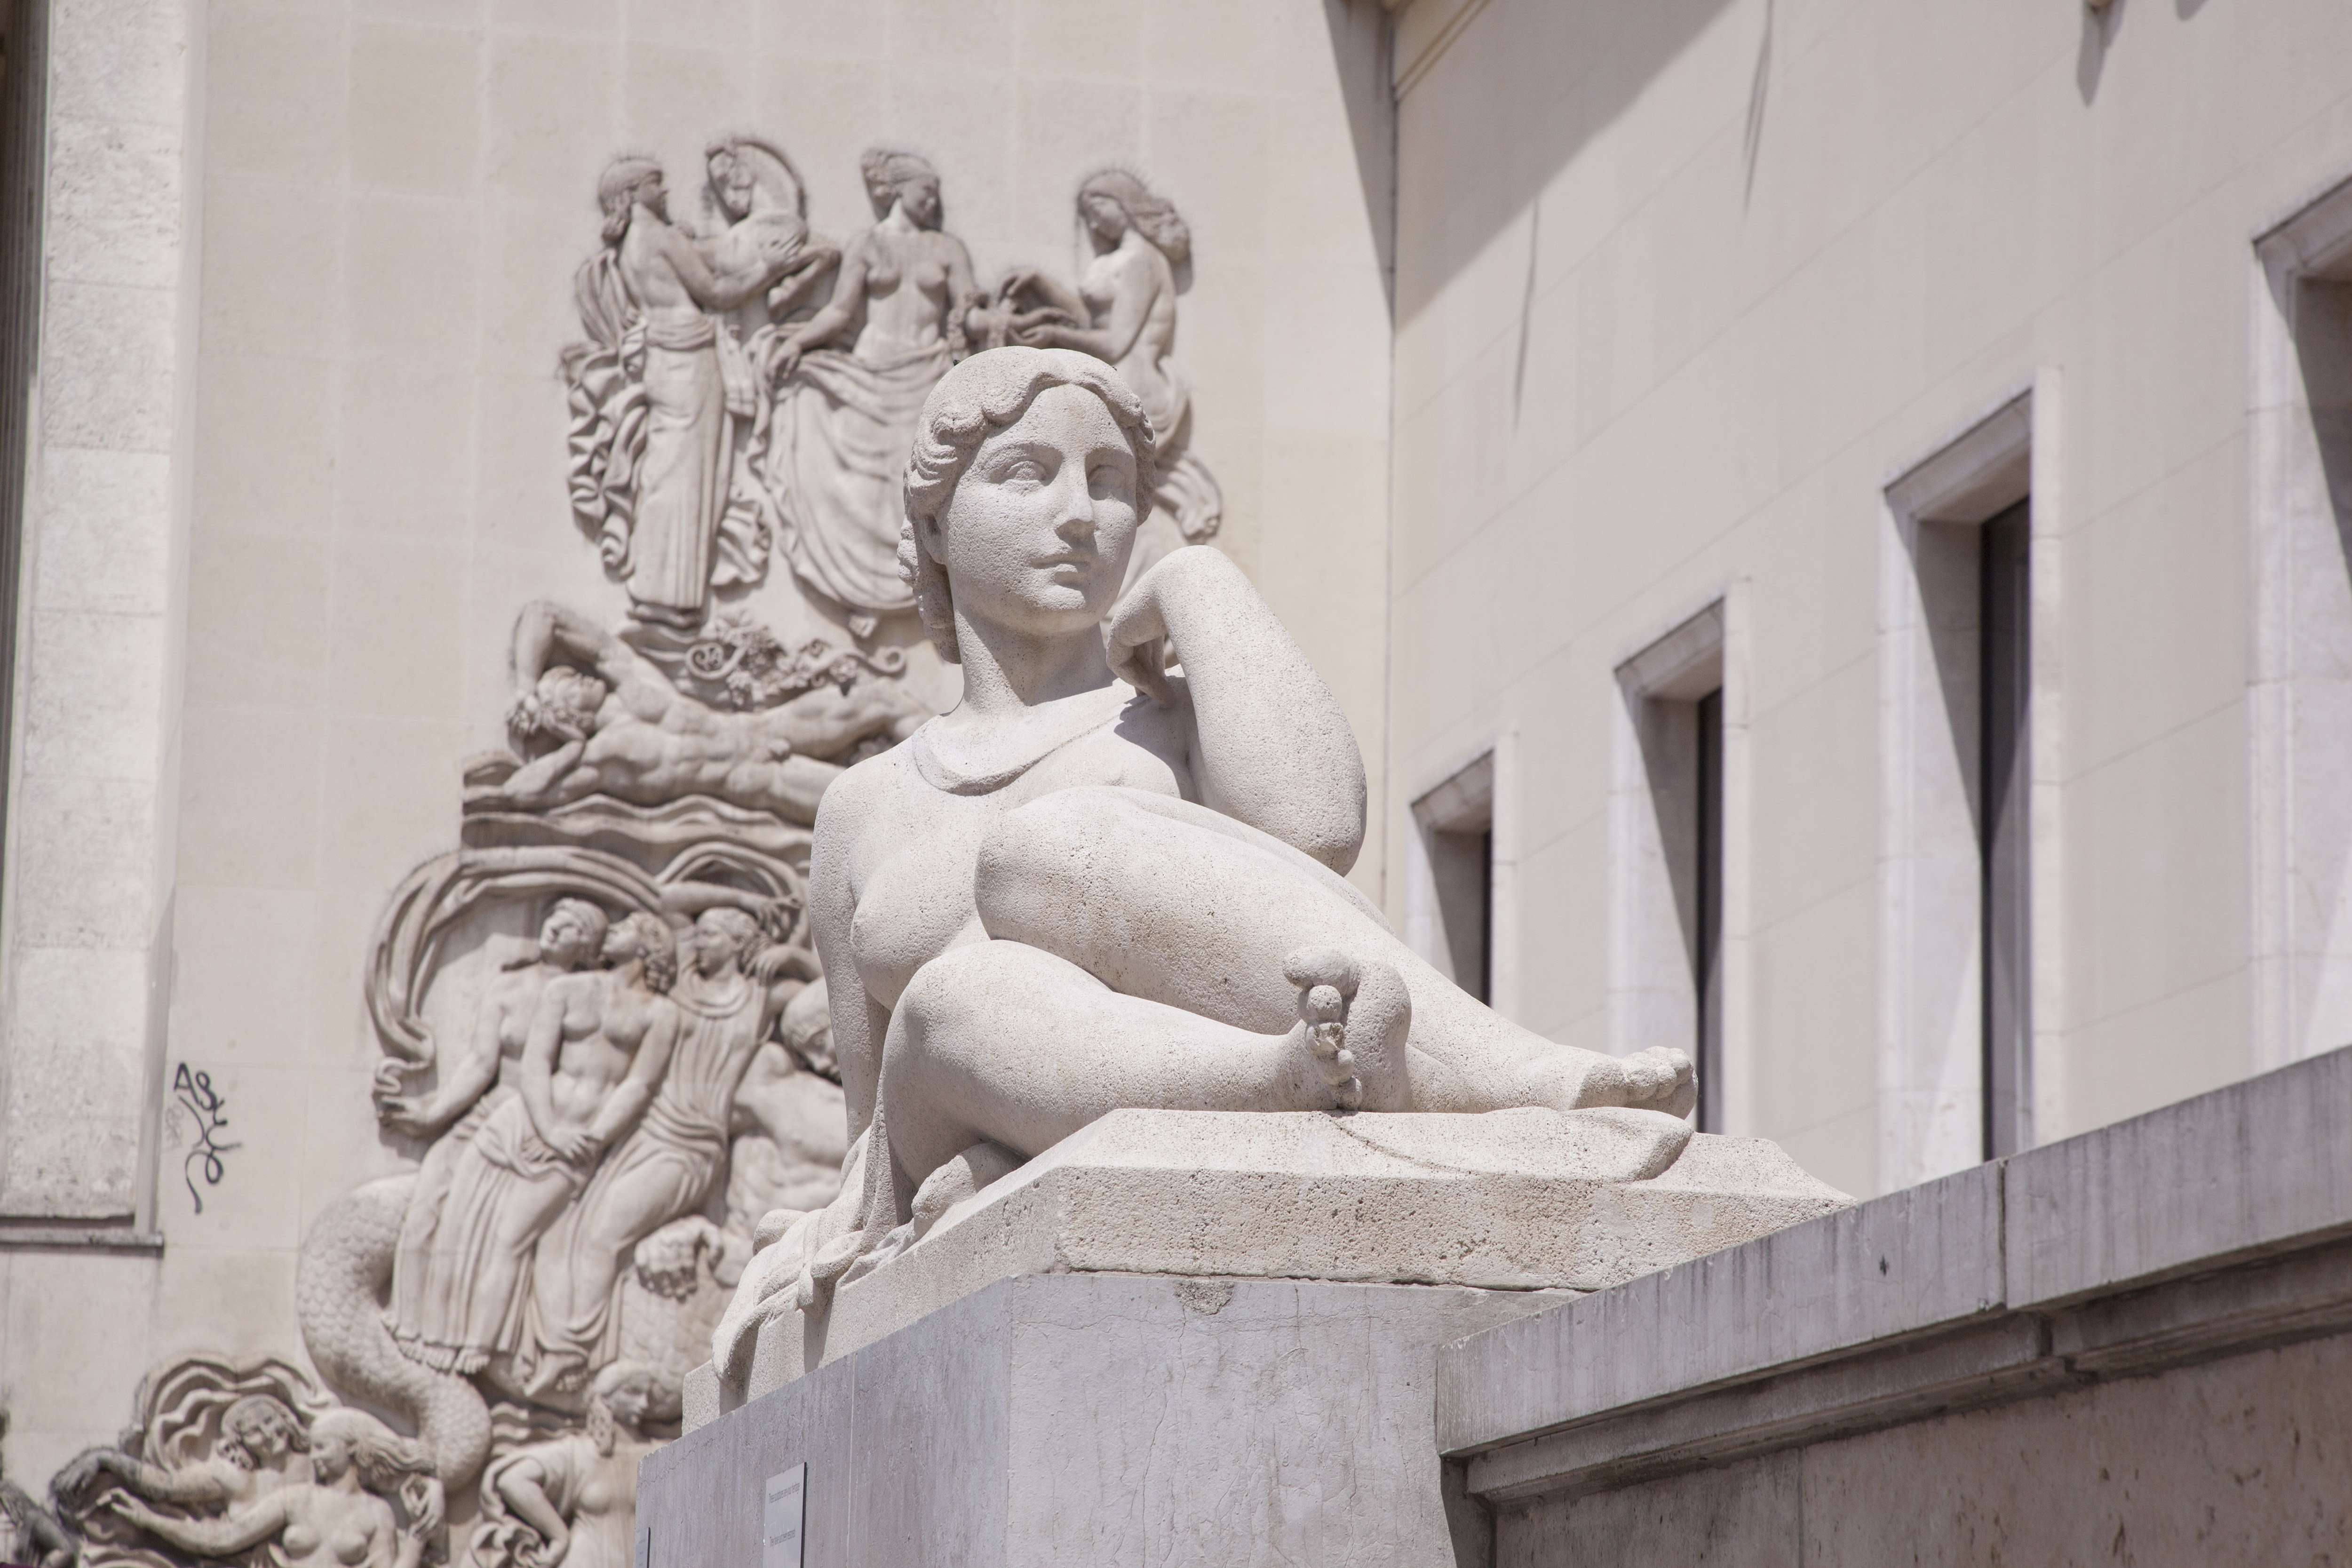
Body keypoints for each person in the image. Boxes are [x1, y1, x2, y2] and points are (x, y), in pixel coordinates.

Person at [757, 347, 1696, 1305]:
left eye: (1111, 483)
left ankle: (1494, 1073)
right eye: (1026, 474)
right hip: (947, 1087)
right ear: (935, 524)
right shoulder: (863, 805)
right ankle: (1278, 1075)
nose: (1079, 513)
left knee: (1043, 852)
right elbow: (866, 1123)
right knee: (958, 987)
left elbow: (1318, 828)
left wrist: (1194, 583)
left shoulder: (1169, 724)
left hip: (1199, 1065)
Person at [524, 908, 814, 1395]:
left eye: (711, 935)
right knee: (572, 1227)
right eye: (695, 933)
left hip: (692, 1147)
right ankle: (570, 1349)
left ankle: (571, 1355)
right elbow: (672, 897)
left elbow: (825, 991)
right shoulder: (680, 987)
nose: (697, 941)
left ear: (739, 943)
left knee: (602, 1233)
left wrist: (793, 956)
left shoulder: (761, 997)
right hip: (647, 1132)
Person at [388, 915, 680, 1377]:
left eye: (630, 927)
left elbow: (640, 1084)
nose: (616, 930)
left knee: (509, 1239)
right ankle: (430, 1335)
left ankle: (478, 1345)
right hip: (522, 1123)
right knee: (457, 1227)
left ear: (651, 946)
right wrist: (550, 1131)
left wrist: (596, 1137)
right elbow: (535, 1064)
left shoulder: (661, 1013)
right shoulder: (567, 990)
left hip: (580, 1144)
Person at [588, 157, 823, 628]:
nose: (666, 189)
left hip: (663, 357)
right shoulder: (659, 234)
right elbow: (717, 292)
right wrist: (769, 267)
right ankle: (671, 596)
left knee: (669, 471)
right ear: (634, 192)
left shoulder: (634, 241)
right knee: (691, 474)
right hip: (689, 361)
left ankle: (662, 592)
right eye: (656, 182)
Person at [763, 149, 984, 632]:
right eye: (925, 192)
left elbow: (967, 309)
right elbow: (841, 312)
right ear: (898, 190)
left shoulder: (946, 248)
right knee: (861, 484)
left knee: (913, 483)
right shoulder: (866, 243)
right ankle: (859, 589)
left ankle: (913, 585)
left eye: (934, 195)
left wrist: (997, 323)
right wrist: (796, 342)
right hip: (870, 373)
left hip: (926, 374)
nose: (932, 202)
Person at [375, 900, 609, 1336]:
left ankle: (471, 1335)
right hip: (486, 1115)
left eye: (575, 924)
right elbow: (481, 1064)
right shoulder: (509, 986)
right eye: (556, 914)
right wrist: (432, 1115)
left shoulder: (589, 997)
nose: (557, 925)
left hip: (542, 1133)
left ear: (589, 947)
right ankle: (409, 1320)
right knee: (428, 1204)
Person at [487, 600, 928, 824]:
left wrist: (526, 686)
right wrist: (571, 748)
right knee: (879, 812)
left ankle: (967, 759)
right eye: (563, 684)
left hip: (765, 727)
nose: (574, 674)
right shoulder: (600, 758)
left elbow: (544, 615)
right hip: (764, 780)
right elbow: (521, 794)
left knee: (883, 698)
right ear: (569, 720)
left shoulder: (632, 683)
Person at [1003, 169, 1222, 596]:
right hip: (1108, 376)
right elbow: (1093, 321)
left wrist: (1052, 335)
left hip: (1134, 384)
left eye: (1099, 209)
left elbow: (1116, 340)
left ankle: (1133, 580)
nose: (1093, 222)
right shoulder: (1114, 260)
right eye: (1087, 214)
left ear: (1123, 206)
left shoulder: (1142, 260)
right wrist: (1044, 287)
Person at [102, 1409, 440, 1568]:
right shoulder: (296, 1498)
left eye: (323, 1446)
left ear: (350, 1447)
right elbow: (224, 1539)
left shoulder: (376, 1511)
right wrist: (149, 1519)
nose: (314, 1455)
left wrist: (417, 1538)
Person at [470, 1364, 669, 1568]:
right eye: (633, 1393)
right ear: (606, 1396)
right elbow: (513, 1481)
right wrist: (558, 1535)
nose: (644, 1403)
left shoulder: (659, 1455)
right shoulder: (579, 1453)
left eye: (648, 1396)